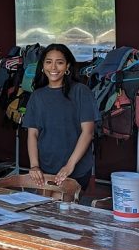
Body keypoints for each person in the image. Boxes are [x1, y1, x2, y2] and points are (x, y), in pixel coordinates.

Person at [22, 43, 100, 196]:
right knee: (43, 210)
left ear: (67, 66)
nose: (54, 67)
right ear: (43, 66)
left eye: (60, 62)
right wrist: (34, 166)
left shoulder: (80, 91)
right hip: (45, 167)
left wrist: (69, 166)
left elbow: (88, 132)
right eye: (48, 62)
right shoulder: (37, 96)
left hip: (75, 168)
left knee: (59, 207)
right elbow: (32, 134)